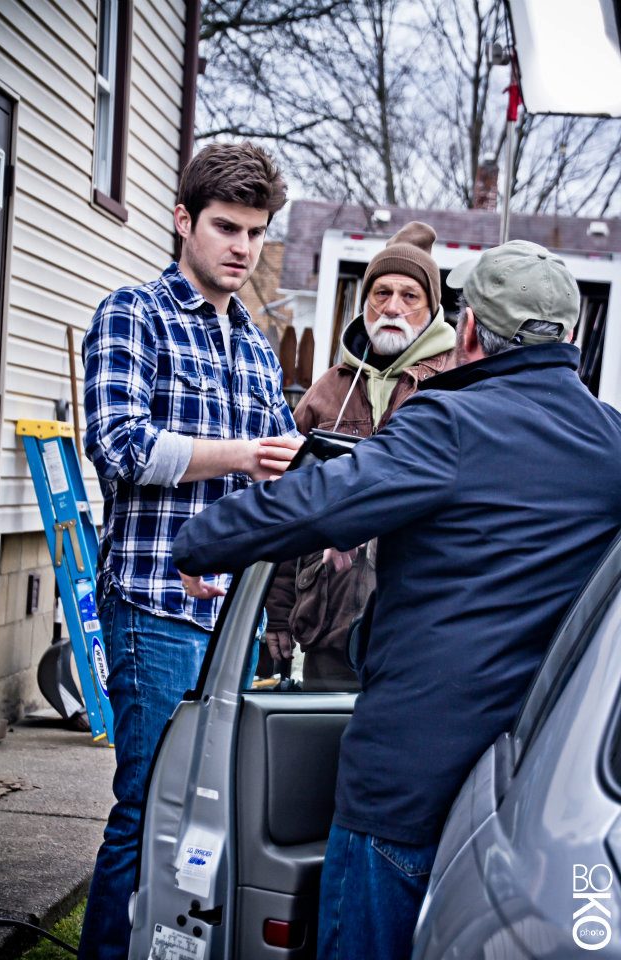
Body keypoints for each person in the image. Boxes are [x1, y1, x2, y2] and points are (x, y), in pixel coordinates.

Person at [173, 239, 621, 960]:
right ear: (568, 337)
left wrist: (201, 542)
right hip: (535, 779)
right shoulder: (611, 445)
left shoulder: (450, 426)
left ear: (468, 329)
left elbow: (318, 501)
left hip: (408, 776)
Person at [79, 142, 300, 960]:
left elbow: (273, 480)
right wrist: (241, 453)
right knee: (146, 809)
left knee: (206, 815)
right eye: (226, 227)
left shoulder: (255, 343)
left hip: (230, 619)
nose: (241, 247)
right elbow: (120, 446)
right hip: (153, 606)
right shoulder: (132, 314)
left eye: (255, 231)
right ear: (184, 221)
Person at [266, 222, 455, 690]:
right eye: (381, 293)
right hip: (328, 628)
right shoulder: (325, 394)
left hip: (422, 635)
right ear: (364, 302)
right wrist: (276, 610)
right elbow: (289, 506)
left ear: (433, 310)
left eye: (410, 296)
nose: (393, 307)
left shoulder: (459, 387)